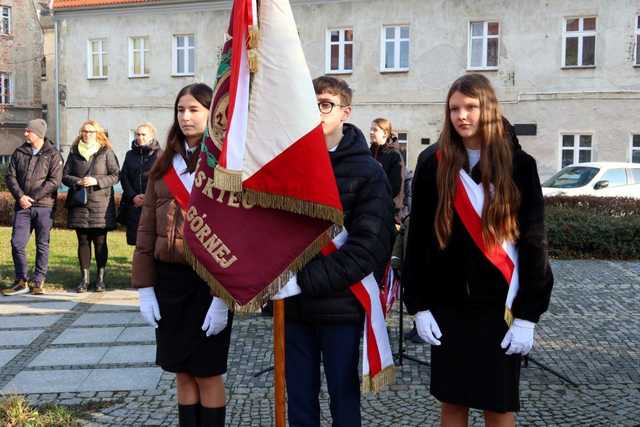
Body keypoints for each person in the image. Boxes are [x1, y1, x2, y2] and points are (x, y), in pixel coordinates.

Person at [403, 74, 554, 426]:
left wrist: (528, 315)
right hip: (448, 305)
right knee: (452, 402)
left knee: (497, 405)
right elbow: (419, 241)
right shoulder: (433, 163)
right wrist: (420, 305)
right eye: (454, 108)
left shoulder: (520, 165)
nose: (462, 116)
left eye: (471, 107)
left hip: (500, 306)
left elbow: (534, 241)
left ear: (487, 108)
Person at [273, 76, 395, 427]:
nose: (315, 112)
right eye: (309, 104)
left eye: (324, 105)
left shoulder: (368, 172)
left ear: (345, 112)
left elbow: (368, 247)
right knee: (298, 401)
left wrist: (303, 281)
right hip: (293, 307)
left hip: (340, 306)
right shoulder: (286, 166)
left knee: (343, 401)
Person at [132, 83, 233, 427]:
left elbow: (236, 233)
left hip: (208, 282)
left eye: (194, 110)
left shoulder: (226, 162)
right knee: (182, 372)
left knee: (208, 372)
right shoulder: (164, 164)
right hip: (169, 281)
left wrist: (222, 297)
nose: (186, 117)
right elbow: (145, 230)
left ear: (211, 113)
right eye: (180, 110)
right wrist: (145, 287)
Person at [3, 119, 63, 296]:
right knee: (17, 243)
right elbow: (10, 176)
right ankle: (21, 280)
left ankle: (38, 281)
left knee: (42, 244)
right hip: (22, 207)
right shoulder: (19, 152)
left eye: (28, 131)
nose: (25, 133)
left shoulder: (53, 154)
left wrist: (33, 197)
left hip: (44, 207)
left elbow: (54, 181)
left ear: (38, 134)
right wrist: (20, 196)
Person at [62, 120, 120, 293]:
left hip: (100, 204)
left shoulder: (106, 152)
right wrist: (77, 181)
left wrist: (97, 181)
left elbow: (116, 175)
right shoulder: (74, 152)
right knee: (83, 241)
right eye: (84, 131)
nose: (87, 134)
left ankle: (100, 279)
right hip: (80, 203)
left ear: (98, 134)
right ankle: (84, 279)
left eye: (91, 131)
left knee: (101, 242)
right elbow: (65, 176)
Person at [118, 122, 161, 245]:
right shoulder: (129, 155)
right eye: (137, 134)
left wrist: (147, 197)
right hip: (133, 204)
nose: (139, 137)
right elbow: (124, 177)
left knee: (152, 239)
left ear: (152, 137)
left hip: (153, 203)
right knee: (136, 240)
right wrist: (133, 196)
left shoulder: (160, 155)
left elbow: (161, 180)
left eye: (143, 134)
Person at [370, 118, 404, 223]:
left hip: (388, 213)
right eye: (370, 129)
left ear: (385, 133)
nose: (371, 132)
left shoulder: (394, 155)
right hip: (369, 210)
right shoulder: (368, 153)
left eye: (374, 130)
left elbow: (395, 187)